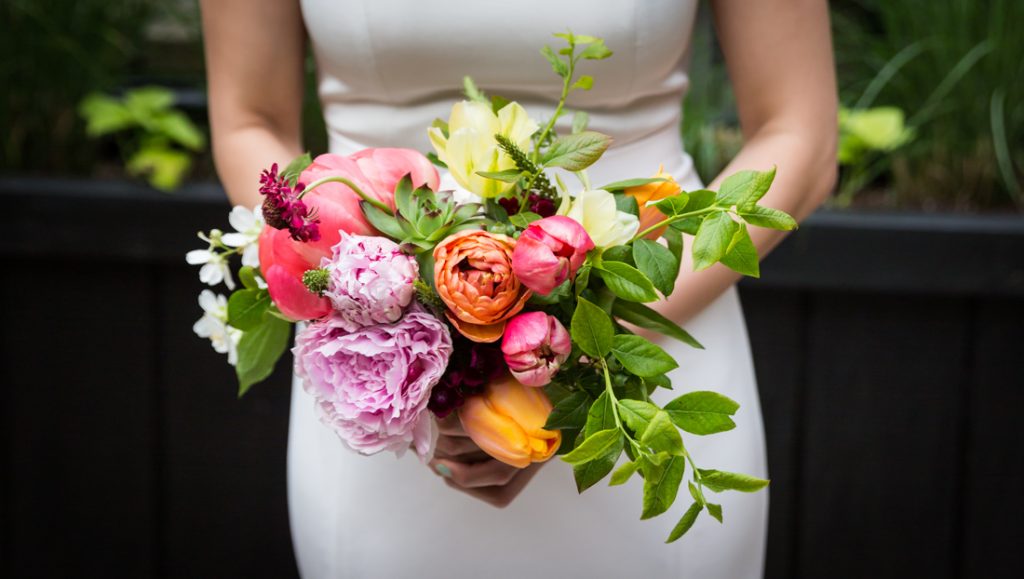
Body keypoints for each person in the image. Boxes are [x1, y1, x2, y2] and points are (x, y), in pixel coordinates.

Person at [200, 0, 837, 576]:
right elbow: (248, 121)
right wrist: (386, 327)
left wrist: (579, 344)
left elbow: (799, 134)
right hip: (379, 362)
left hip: (652, 328)